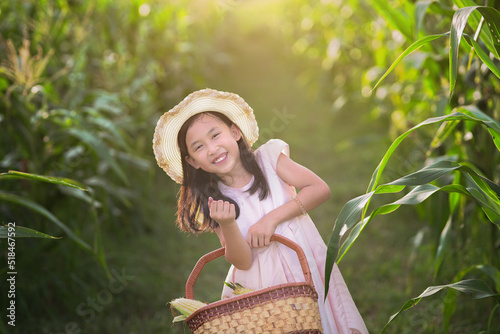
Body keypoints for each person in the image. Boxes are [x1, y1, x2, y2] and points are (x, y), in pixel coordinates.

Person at [153, 88, 368, 334]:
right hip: (262, 289)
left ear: (234, 132)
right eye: (199, 147)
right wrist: (228, 224)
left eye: (215, 135)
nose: (212, 149)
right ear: (192, 161)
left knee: (319, 320)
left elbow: (319, 189)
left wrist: (271, 220)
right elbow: (242, 260)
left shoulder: (269, 160)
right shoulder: (215, 202)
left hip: (304, 267)